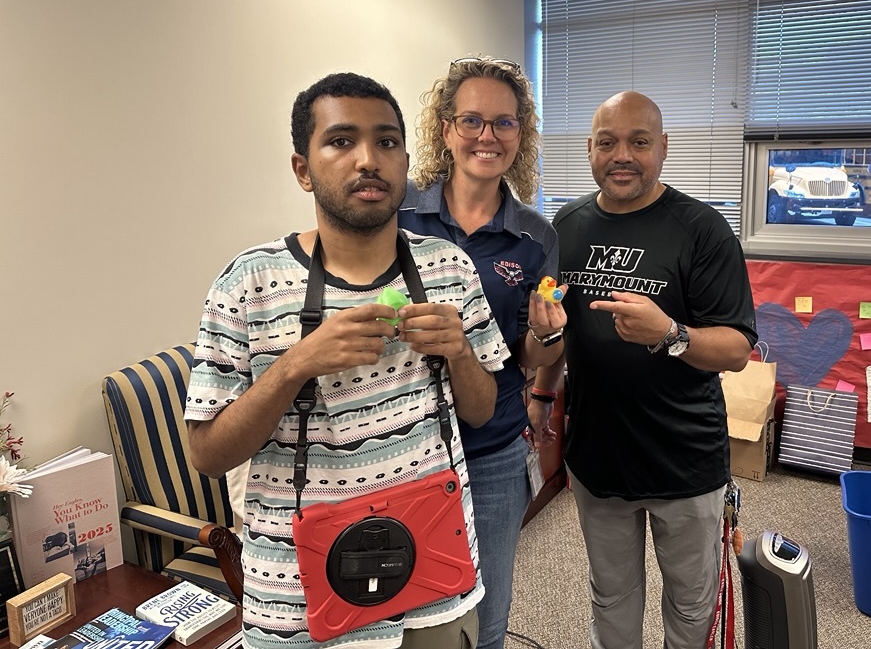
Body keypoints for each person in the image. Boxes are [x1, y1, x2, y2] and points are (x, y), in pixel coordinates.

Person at [185, 72, 510, 649]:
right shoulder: (249, 285)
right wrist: (295, 364)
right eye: (341, 141)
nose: (368, 159)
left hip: (435, 580)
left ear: (406, 160)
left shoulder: (449, 269)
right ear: (302, 169)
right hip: (299, 604)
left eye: (386, 142)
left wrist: (459, 350)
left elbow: (481, 411)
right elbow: (209, 454)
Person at [533, 91, 758, 649]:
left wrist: (670, 335)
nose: (622, 155)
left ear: (663, 148)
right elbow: (560, 326)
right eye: (607, 142)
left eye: (639, 141)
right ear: (589, 149)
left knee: (690, 601)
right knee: (610, 596)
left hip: (683, 460)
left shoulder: (702, 229)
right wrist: (541, 394)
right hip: (597, 455)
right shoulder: (568, 224)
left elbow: (735, 350)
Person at [398, 56, 567, 649]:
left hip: (492, 450)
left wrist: (549, 334)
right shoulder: (399, 213)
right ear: (445, 129)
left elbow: (533, 356)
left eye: (503, 123)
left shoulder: (535, 236)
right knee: (406, 612)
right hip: (404, 445)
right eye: (471, 121)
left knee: (487, 619)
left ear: (520, 135)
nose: (486, 136)